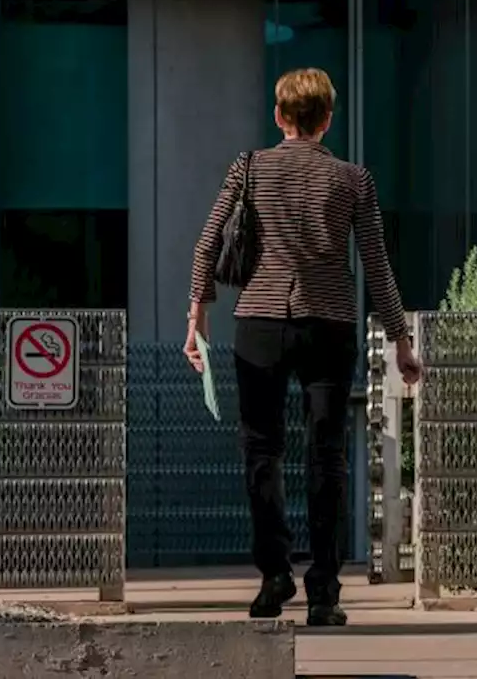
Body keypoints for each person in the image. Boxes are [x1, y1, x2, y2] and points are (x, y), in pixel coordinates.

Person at [183, 68, 420, 626]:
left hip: (259, 324)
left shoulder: (248, 168)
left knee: (261, 450)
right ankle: (324, 593)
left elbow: (206, 243)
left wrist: (198, 315)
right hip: (328, 323)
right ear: (329, 118)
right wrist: (401, 340)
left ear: (279, 116)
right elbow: (377, 267)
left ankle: (273, 577)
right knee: (327, 456)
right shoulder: (353, 179)